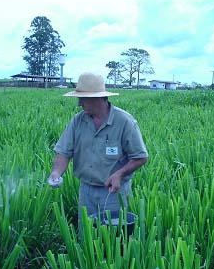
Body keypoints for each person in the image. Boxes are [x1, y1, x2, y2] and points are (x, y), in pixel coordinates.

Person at [48, 72, 148, 224]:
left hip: (114, 193)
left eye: (83, 99)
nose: (79, 103)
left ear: (98, 98)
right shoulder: (78, 121)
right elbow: (64, 152)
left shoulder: (124, 122)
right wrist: (56, 172)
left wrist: (119, 174)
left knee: (113, 240)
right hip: (86, 191)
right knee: (86, 235)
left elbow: (140, 157)